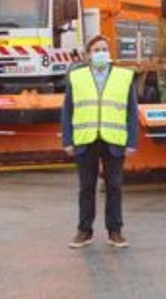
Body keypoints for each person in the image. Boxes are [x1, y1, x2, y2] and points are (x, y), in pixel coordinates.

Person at [61, 35, 138, 249]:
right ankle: (84, 231)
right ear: (88, 55)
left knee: (114, 186)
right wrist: (67, 140)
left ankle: (115, 231)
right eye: (96, 50)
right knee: (86, 187)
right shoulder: (77, 77)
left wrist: (132, 141)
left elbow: (132, 111)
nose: (101, 53)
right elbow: (68, 111)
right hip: (85, 140)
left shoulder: (124, 77)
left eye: (104, 48)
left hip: (114, 140)